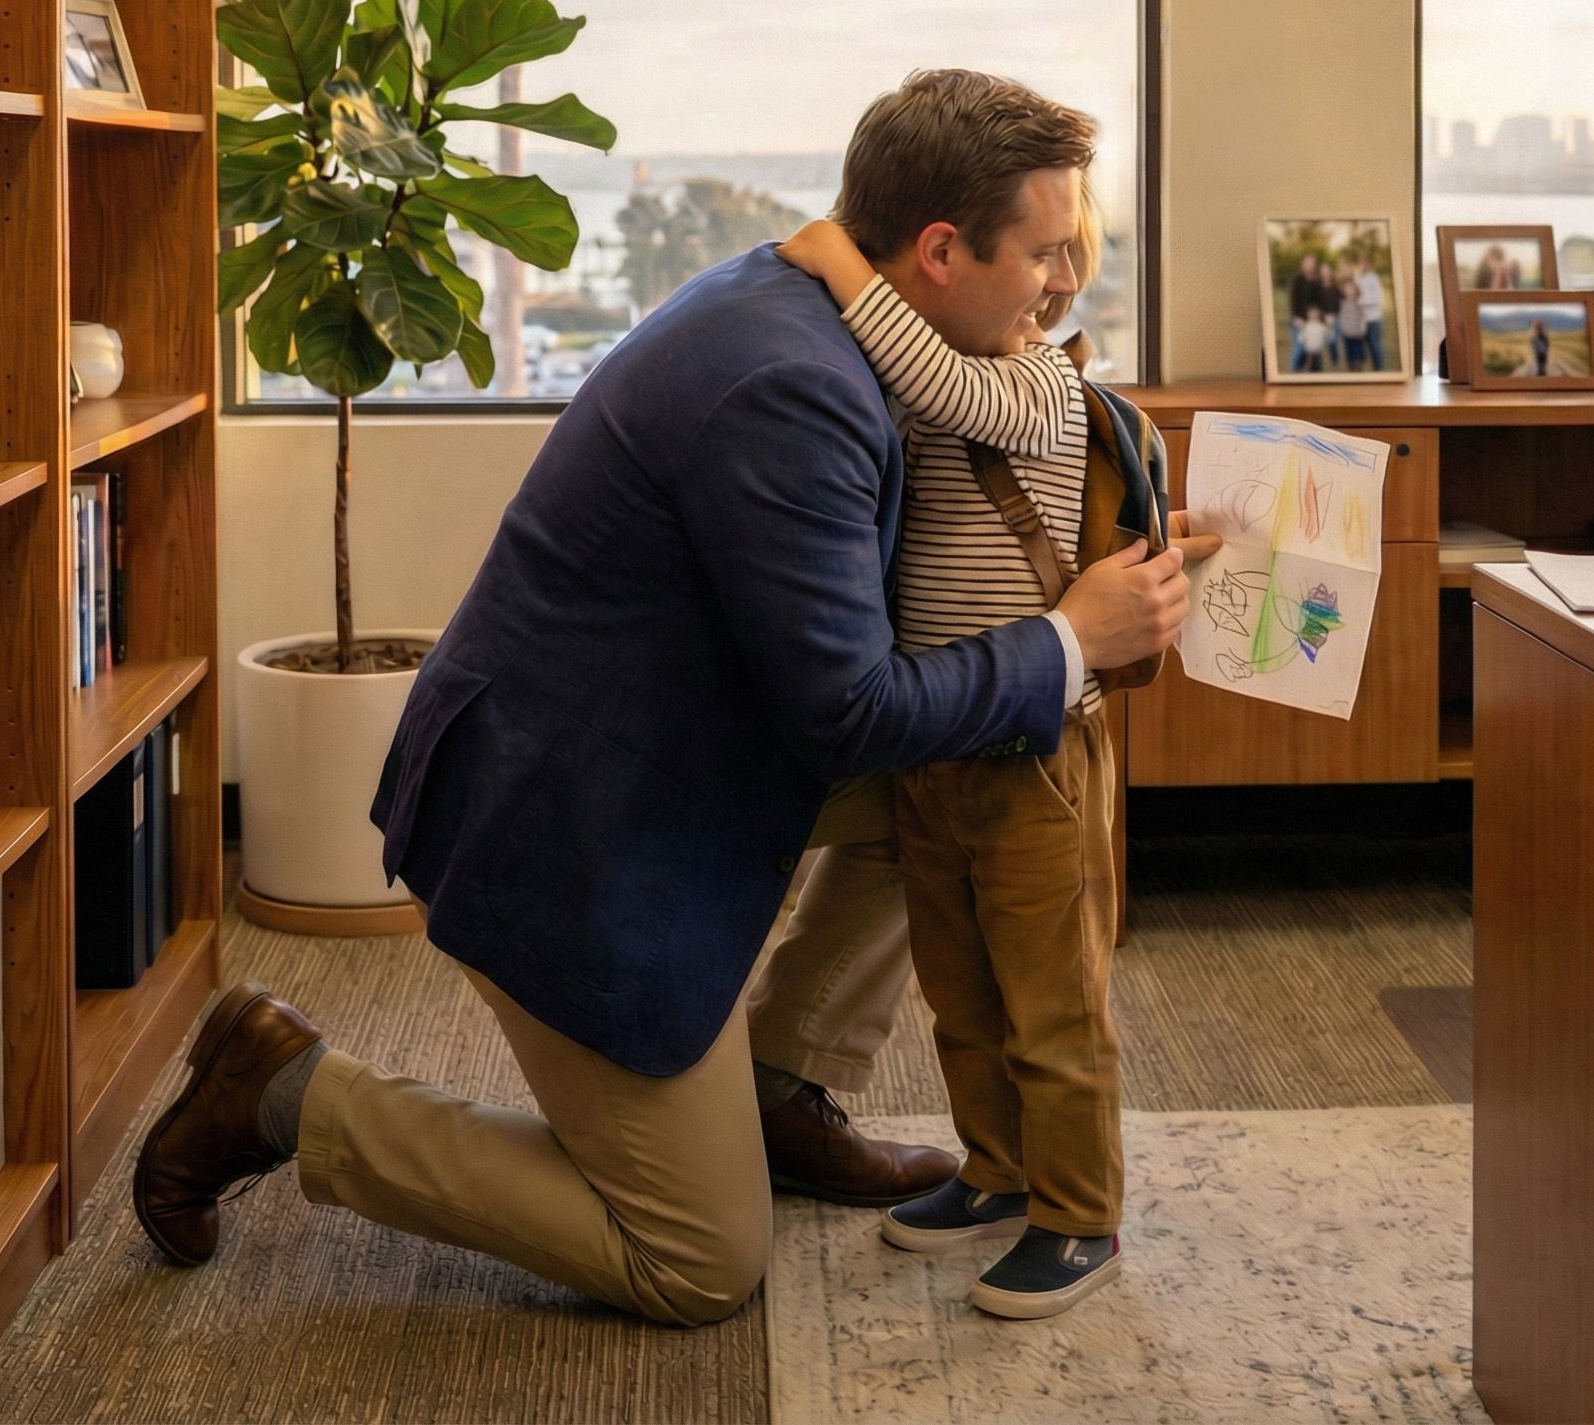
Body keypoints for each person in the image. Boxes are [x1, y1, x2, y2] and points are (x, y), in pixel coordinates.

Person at [133, 71, 1197, 1326]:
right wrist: (1070, 641)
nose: (1068, 281)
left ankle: (775, 1089)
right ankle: (284, 1091)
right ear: (938, 250)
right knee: (695, 1258)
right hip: (570, 827)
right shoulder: (793, 390)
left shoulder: (819, 306)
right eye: (1048, 251)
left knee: (965, 780)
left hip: (661, 746)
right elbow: (847, 713)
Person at [776, 200, 1207, 1319]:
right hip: (936, 749)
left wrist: (837, 265)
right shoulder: (935, 379)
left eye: (1064, 265)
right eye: (1039, 257)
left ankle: (1078, 1213)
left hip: (1032, 754)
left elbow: (936, 384)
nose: (1049, 282)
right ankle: (996, 1171)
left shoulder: (1035, 391)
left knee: (1051, 1002)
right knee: (958, 992)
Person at [1287, 252, 1325, 372]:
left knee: (1314, 352)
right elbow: (1293, 301)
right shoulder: (1297, 280)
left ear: (1315, 266)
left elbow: (1320, 303)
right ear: (1302, 265)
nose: (1310, 266)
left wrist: (1319, 319)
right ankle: (1294, 377)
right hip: (1299, 321)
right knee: (1299, 350)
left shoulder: (1317, 282)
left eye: (1312, 263)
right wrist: (1297, 318)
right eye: (1307, 263)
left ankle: (1315, 378)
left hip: (1313, 322)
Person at [1353, 253, 1387, 371]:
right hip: (1362, 320)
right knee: (1363, 348)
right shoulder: (1358, 278)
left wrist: (1360, 302)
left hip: (1373, 319)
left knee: (1375, 346)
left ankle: (1380, 371)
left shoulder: (1374, 278)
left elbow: (1377, 298)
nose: (1362, 265)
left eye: (1364, 263)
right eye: (1360, 263)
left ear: (1369, 264)